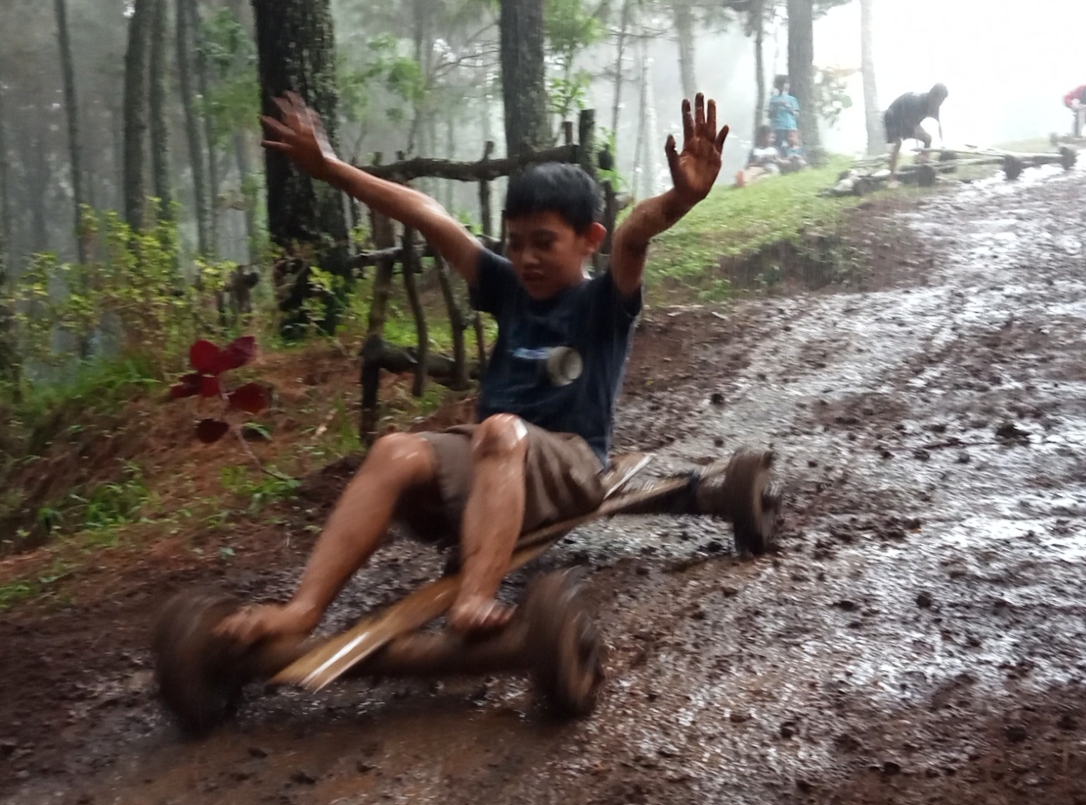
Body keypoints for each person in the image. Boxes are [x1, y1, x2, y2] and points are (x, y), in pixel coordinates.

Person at [217, 92, 729, 641]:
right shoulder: (505, 286)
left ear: (589, 240)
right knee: (393, 449)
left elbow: (634, 232)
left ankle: (475, 596)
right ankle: (302, 610)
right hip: (492, 457)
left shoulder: (605, 301)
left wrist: (679, 198)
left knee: (500, 430)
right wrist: (331, 168)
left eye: (544, 243)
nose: (526, 257)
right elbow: (425, 213)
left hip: (572, 467)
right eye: (515, 243)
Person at [884, 83, 948, 173]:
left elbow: (939, 126)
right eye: (938, 101)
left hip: (908, 122)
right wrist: (917, 135)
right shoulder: (918, 101)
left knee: (927, 138)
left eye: (942, 101)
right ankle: (892, 177)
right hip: (893, 117)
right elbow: (910, 123)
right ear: (932, 95)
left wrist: (942, 145)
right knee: (897, 143)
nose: (939, 104)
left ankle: (922, 168)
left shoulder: (935, 107)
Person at [767, 75, 800, 148]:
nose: (782, 86)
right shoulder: (773, 99)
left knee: (792, 148)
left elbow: (796, 114)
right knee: (777, 148)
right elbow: (770, 116)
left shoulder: (792, 99)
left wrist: (787, 107)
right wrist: (776, 107)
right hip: (777, 127)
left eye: (784, 83)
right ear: (776, 85)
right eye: (780, 84)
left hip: (790, 127)